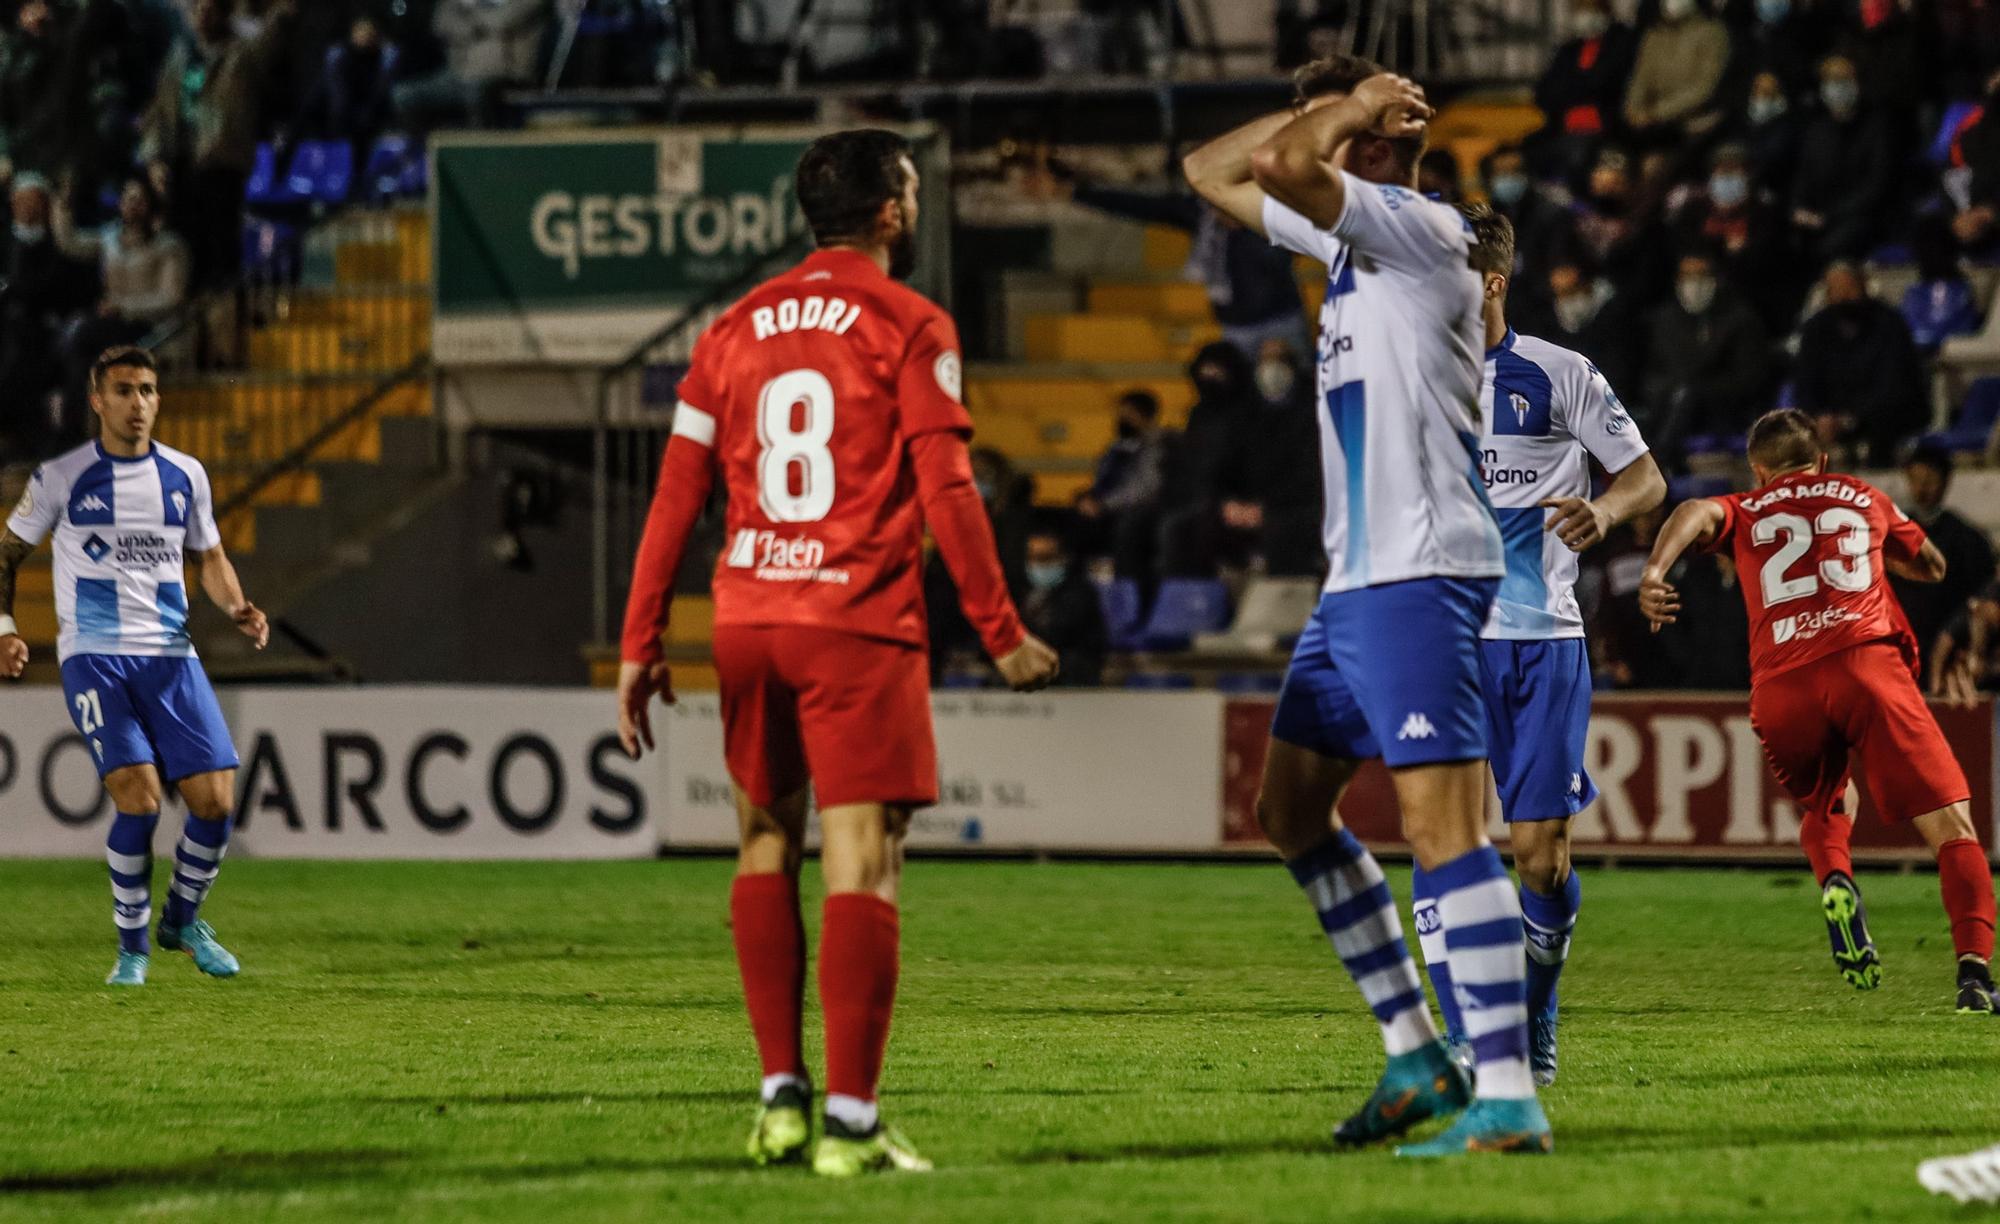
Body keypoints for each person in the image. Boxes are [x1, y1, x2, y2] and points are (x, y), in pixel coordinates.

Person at [614, 130, 1059, 1178]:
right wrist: (999, 632)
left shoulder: (730, 327)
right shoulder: (909, 321)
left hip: (747, 618)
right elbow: (948, 488)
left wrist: (640, 640)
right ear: (894, 212)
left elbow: (677, 499)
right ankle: (851, 1125)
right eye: (912, 187)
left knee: (763, 845)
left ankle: (779, 1102)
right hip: (853, 618)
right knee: (865, 861)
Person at [1184, 54, 1551, 1155]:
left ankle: (1506, 1102)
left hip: (1420, 570)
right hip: (1357, 584)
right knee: (1289, 811)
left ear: (1376, 148)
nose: (1303, 132)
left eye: (1326, 119)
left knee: (1442, 830)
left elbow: (1272, 160)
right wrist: (1330, 110)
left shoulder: (1413, 225)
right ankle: (1414, 1056)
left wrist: (1343, 115)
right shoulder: (1348, 237)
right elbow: (1208, 168)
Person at [1413, 206, 1664, 1087]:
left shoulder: (1557, 374)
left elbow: (1646, 477)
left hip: (1540, 639)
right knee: (1439, 834)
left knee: (1539, 853)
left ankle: (1537, 1004)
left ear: (1489, 281)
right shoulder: (1416, 376)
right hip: (1443, 639)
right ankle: (1465, 1036)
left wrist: (1606, 509)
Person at [1639, 408, 1998, 1014]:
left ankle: (1835, 878)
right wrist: (1876, 557)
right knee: (1952, 828)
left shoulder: (1749, 509)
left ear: (1758, 472)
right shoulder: (1863, 495)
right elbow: (1932, 565)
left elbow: (1693, 512)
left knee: (1830, 799)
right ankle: (1973, 978)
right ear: (1822, 461)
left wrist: (1654, 569)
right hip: (1866, 667)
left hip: (1783, 687)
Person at [0, 345, 269, 987]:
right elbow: (5, 554)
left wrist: (236, 605)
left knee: (215, 802)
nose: (138, 403)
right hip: (94, 657)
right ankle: (131, 950)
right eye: (123, 391)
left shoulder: (186, 475)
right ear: (97, 401)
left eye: (147, 390)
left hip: (170, 655)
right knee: (140, 799)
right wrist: (7, 629)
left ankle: (180, 920)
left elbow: (209, 556)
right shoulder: (62, 477)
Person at [140, 0, 297, 288]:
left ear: (224, 15)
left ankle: (221, 312)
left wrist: (281, 13)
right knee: (184, 247)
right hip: (182, 161)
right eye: (197, 10)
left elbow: (272, 37)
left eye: (209, 10)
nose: (202, 16)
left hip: (222, 160)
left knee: (220, 248)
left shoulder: (243, 55)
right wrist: (154, 159)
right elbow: (161, 112)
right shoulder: (180, 56)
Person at [55, 178, 190, 441]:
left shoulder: (169, 246)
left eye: (139, 200)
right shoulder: (110, 238)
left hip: (149, 328)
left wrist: (124, 307)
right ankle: (74, 433)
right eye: (128, 199)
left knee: (82, 334)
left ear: (151, 205)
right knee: (80, 355)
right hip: (109, 326)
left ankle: (73, 434)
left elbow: (172, 298)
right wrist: (63, 205)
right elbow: (71, 243)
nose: (132, 206)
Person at [1639, 250, 1772, 464]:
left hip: (1722, 410)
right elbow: (1653, 372)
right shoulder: (1665, 321)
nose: (1693, 285)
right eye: (1686, 277)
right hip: (1670, 405)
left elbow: (1749, 381)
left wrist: (1696, 389)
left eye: (1701, 276)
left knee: (1685, 397)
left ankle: (1658, 463)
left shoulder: (1741, 320)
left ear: (1716, 279)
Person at [1791, 261, 1926, 465]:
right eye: (1837, 290)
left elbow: (1894, 386)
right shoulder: (1816, 329)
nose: (1844, 296)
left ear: (1864, 288)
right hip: (1830, 419)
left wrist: (1849, 419)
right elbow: (1806, 383)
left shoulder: (1889, 324)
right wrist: (1819, 416)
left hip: (1883, 417)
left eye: (1850, 289)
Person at [1895, 446, 1997, 681]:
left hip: (1950, 650)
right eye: (1916, 480)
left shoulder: (1967, 538)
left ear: (1946, 482)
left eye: (1929, 481)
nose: (1922, 489)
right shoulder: (1892, 533)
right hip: (1901, 650)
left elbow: (1980, 595)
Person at [1789, 55, 1896, 266]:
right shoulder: (1817, 130)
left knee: (1831, 246)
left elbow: (1877, 186)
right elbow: (1803, 177)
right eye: (1830, 81)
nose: (1836, 88)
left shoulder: (1878, 126)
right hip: (1819, 217)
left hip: (1860, 217)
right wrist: (1798, 207)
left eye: (1842, 80)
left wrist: (1829, 216)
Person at [1075, 389, 1170, 582]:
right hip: (1106, 509)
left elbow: (1145, 488)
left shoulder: (1158, 446)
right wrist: (1089, 498)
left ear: (1145, 416)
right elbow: (1102, 480)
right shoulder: (1117, 448)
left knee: (1127, 529)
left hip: (1138, 512)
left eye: (1129, 414)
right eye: (1121, 413)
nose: (1122, 419)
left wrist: (1104, 505)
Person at [1621, 0, 1729, 146]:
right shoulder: (1655, 32)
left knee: (1655, 164)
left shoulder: (1713, 33)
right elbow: (1641, 78)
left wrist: (1656, 113)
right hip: (1651, 122)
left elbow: (1704, 87)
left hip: (1695, 121)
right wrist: (1634, 108)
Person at [1020, 524, 1107, 686]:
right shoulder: (1020, 592)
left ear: (1062, 558)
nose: (1039, 565)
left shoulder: (1081, 593)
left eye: (1046, 558)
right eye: (1033, 558)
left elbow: (1062, 632)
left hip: (1070, 666)